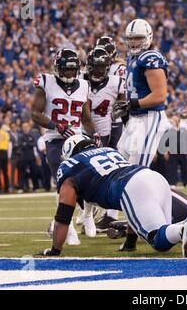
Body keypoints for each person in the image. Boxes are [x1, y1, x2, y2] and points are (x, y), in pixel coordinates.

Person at [36, 135, 187, 257]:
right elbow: (132, 206)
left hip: (131, 186)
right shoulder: (109, 151)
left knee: (159, 241)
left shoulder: (69, 166)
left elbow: (64, 216)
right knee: (166, 234)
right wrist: (130, 242)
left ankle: (184, 228)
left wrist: (55, 250)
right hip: (154, 178)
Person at [31, 48, 96, 245]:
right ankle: (67, 229)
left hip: (77, 139)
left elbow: (86, 118)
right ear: (57, 68)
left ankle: (86, 215)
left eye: (72, 70)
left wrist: (96, 135)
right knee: (63, 183)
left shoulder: (84, 85)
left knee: (89, 180)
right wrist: (55, 125)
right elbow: (35, 113)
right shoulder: (46, 82)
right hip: (55, 139)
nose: (69, 74)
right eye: (66, 70)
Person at [80, 46, 125, 235]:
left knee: (96, 175)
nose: (98, 71)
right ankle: (86, 213)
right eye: (95, 67)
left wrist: (119, 118)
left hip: (105, 131)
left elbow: (123, 106)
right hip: (81, 132)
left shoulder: (116, 82)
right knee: (82, 175)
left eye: (102, 67)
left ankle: (90, 214)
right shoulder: (80, 81)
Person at [115, 18, 171, 167]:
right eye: (131, 38)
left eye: (138, 38)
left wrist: (131, 103)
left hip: (150, 117)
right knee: (119, 162)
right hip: (135, 118)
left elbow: (160, 96)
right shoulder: (132, 57)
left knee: (137, 167)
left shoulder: (150, 57)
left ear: (148, 37)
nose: (134, 42)